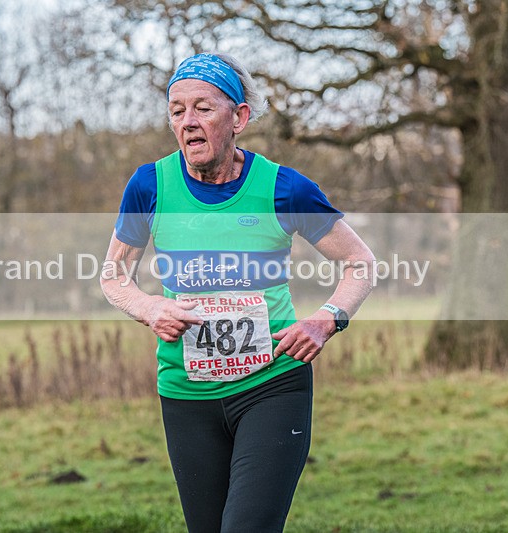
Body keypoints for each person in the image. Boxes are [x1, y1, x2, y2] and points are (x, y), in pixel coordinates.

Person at [101, 53, 374, 533]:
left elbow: (360, 264)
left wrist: (327, 318)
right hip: (186, 393)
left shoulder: (283, 189)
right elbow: (114, 277)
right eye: (177, 110)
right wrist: (148, 306)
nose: (188, 122)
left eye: (203, 108)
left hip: (273, 386)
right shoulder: (150, 186)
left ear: (240, 117)